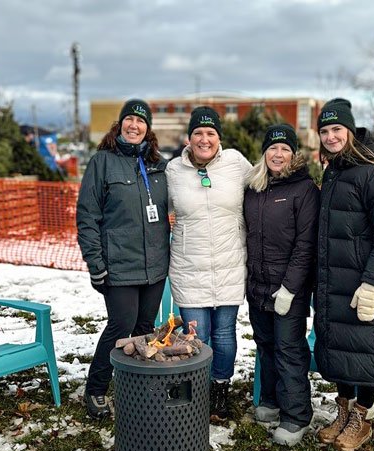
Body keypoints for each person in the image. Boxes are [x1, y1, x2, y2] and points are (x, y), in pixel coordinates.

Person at [315, 98, 374, 451]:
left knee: (364, 349)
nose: (330, 136)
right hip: (334, 280)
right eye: (324, 131)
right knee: (340, 347)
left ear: (350, 131)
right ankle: (343, 410)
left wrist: (372, 282)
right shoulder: (335, 169)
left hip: (364, 281)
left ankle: (362, 417)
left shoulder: (373, 172)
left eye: (337, 129)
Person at [77, 99, 170, 419]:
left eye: (141, 121)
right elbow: (87, 216)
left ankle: (137, 387)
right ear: (119, 125)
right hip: (118, 265)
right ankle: (96, 389)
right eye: (129, 120)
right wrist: (95, 263)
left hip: (155, 266)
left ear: (148, 128)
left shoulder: (159, 165)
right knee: (121, 326)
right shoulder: (102, 162)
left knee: (146, 328)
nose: (134, 125)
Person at [166, 106, 251, 421]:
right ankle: (196, 389)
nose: (204, 139)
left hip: (230, 263)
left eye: (211, 133)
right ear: (189, 138)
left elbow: (264, 184)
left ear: (219, 138)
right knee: (196, 335)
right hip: (190, 267)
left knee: (226, 334)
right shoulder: (173, 171)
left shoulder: (236, 164)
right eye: (198, 133)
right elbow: (155, 207)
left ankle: (220, 389)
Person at [244, 124, 320, 446]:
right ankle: (271, 401)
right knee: (266, 345)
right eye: (273, 149)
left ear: (294, 155)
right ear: (264, 153)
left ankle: (296, 415)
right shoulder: (254, 187)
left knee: (289, 349)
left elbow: (306, 245)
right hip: (258, 284)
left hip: (289, 287)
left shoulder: (304, 191)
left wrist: (289, 288)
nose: (278, 154)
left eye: (285, 149)